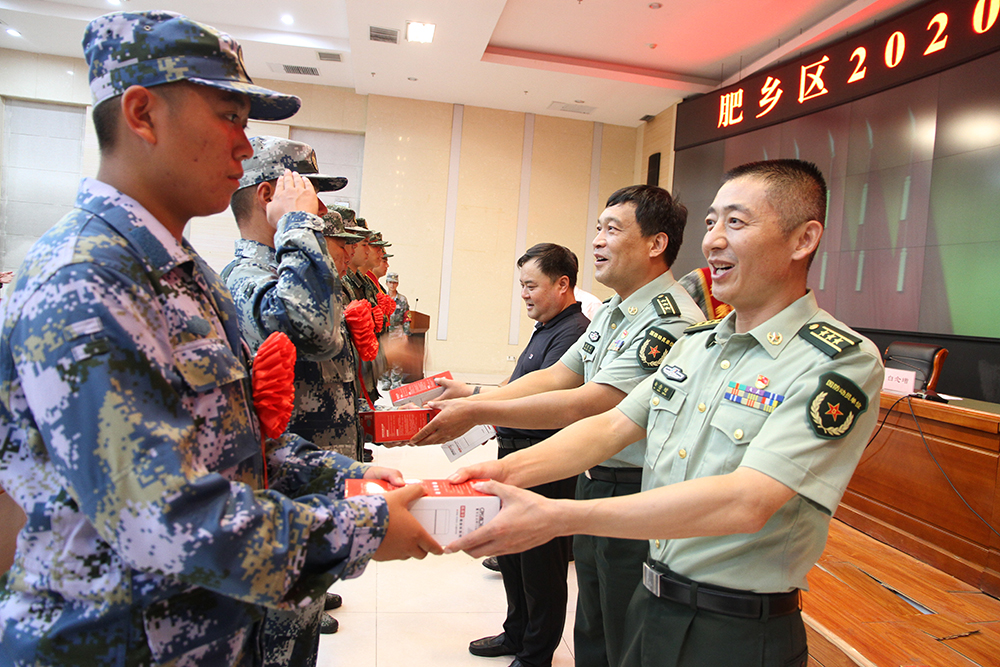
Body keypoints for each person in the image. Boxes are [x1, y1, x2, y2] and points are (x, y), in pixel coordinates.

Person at [0, 11, 441, 666]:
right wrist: (363, 529)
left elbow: (229, 442)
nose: (243, 144)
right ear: (143, 114)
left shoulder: (182, 273)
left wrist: (346, 475)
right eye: (228, 117)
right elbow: (159, 514)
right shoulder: (87, 279)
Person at [446, 160, 885, 667]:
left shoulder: (838, 361)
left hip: (734, 629)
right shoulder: (698, 345)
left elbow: (748, 500)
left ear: (803, 239)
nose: (713, 241)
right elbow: (610, 427)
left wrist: (561, 518)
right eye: (711, 222)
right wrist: (495, 475)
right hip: (652, 600)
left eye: (736, 222)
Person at [410, 185, 704, 667]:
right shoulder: (613, 312)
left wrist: (478, 412)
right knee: (593, 625)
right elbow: (554, 377)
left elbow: (588, 403)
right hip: (596, 477)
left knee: (624, 630)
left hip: (636, 487)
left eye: (612, 230)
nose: (597, 241)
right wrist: (476, 402)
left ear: (656, 243)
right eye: (598, 228)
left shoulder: (668, 321)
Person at [223, 136, 365, 647]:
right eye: (309, 194)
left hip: (308, 472)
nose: (320, 210)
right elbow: (316, 334)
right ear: (269, 196)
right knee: (279, 641)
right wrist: (297, 225)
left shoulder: (286, 270)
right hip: (278, 493)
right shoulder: (245, 277)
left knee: (301, 633)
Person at [470, 243, 589, 667]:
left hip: (544, 460)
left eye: (531, 285)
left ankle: (536, 654)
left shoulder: (574, 332)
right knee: (513, 555)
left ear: (562, 284)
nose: (524, 294)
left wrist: (476, 405)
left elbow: (549, 399)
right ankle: (516, 633)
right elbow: (517, 386)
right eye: (521, 285)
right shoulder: (547, 327)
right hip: (515, 455)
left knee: (541, 566)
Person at [379, 271, 410, 390]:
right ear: (386, 283)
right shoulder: (382, 298)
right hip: (385, 331)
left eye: (395, 282)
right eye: (390, 282)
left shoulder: (402, 299)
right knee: (385, 357)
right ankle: (386, 381)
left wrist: (406, 333)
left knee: (397, 358)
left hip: (397, 330)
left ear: (397, 284)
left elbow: (407, 317)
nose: (392, 285)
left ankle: (396, 382)